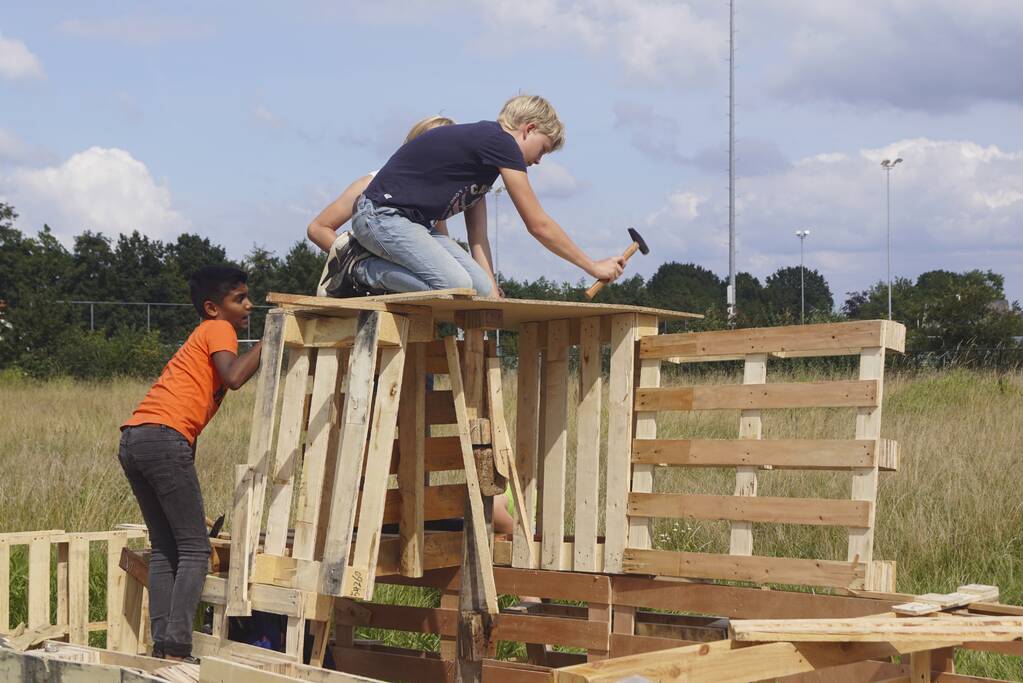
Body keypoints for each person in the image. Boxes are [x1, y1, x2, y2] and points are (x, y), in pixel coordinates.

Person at [323, 95, 626, 298]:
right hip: (380, 215)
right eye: (543, 149)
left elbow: (477, 236)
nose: (538, 161)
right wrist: (592, 266)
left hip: (413, 226)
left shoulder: (482, 163)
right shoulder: (498, 142)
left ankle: (376, 269)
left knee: (478, 290)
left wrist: (493, 295)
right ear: (528, 129)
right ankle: (360, 268)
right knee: (456, 288)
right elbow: (538, 223)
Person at [119, 265, 263, 662]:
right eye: (240, 299)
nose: (249, 305)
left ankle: (164, 646)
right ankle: (178, 648)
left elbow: (186, 426)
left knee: (167, 547)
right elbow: (233, 377)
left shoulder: (201, 335)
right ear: (212, 307)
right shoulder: (219, 330)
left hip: (136, 438)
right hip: (162, 439)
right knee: (195, 550)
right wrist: (272, 340)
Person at [309, 115, 457, 297]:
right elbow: (318, 228)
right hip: (366, 296)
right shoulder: (373, 183)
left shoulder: (435, 198)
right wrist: (358, 260)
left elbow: (442, 253)